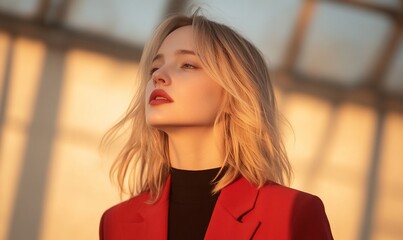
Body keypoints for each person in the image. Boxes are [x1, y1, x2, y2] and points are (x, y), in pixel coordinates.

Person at [99, 11, 333, 240]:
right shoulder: (116, 222)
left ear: (235, 93)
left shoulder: (294, 212)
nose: (158, 75)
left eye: (188, 65)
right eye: (154, 68)